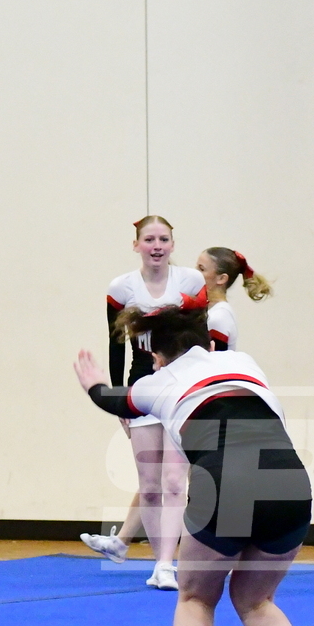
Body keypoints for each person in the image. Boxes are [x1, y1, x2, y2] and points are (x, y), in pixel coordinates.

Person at [74, 304, 314, 626]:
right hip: (290, 483)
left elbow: (113, 400)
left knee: (196, 598)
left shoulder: (156, 383)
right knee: (258, 601)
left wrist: (93, 384)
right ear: (205, 343)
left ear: (157, 356)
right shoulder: (243, 361)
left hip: (226, 481)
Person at [79, 216, 206, 590]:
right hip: (143, 387)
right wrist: (119, 398)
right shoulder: (122, 288)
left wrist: (203, 389)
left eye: (163, 239)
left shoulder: (190, 282)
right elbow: (115, 342)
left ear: (172, 244)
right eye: (149, 240)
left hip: (181, 386)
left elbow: (201, 339)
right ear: (136, 245)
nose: (157, 246)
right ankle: (159, 563)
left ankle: (168, 563)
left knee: (174, 481)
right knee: (149, 484)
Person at [194, 247, 273, 351]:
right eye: (196, 267)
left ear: (221, 278)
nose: (194, 272)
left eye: (201, 269)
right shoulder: (208, 310)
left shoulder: (218, 317)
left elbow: (216, 359)